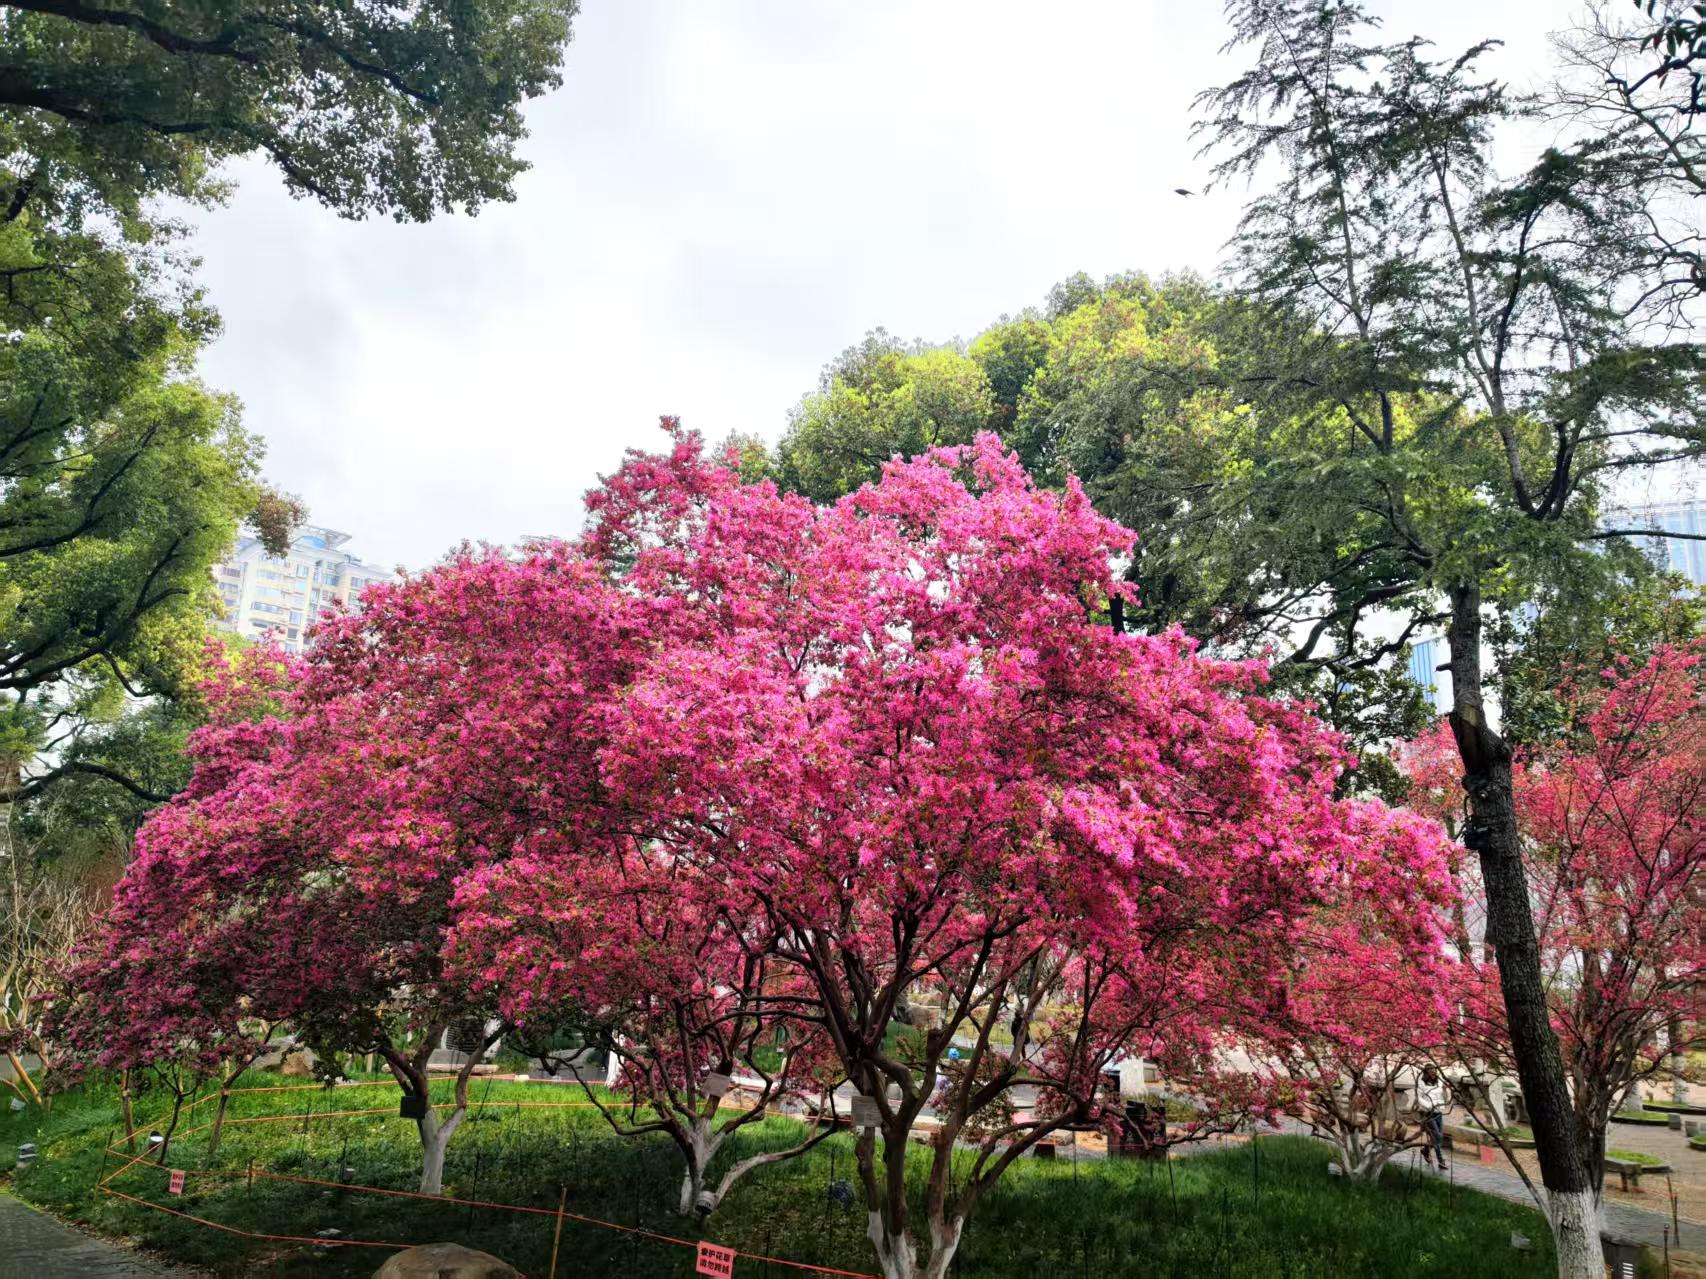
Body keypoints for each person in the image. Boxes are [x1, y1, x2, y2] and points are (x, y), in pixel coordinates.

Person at [1415, 1066, 1450, 1170]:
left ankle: (1425, 1150)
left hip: (1438, 1112)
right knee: (1437, 1137)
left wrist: (1445, 1090)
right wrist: (1429, 1105)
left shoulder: (1439, 1082)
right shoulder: (1421, 1084)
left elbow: (1445, 1098)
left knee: (1438, 1137)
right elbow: (1419, 1098)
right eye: (1431, 1073)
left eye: (1434, 1072)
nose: (1433, 1074)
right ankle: (1441, 1161)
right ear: (1426, 1073)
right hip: (1428, 1114)